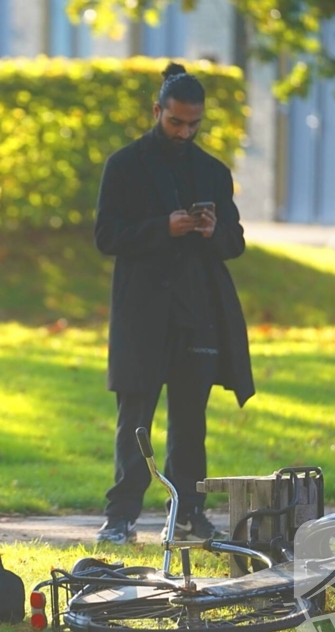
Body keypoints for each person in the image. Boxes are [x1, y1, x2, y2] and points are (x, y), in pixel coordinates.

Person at [93, 63, 253, 545]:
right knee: (135, 420)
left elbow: (235, 242)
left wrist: (212, 230)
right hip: (141, 312)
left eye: (193, 124)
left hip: (195, 311)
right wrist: (163, 227)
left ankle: (187, 515)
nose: (184, 132)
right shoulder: (124, 165)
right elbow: (106, 236)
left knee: (190, 422)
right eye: (175, 122)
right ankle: (120, 517)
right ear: (157, 111)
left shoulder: (212, 171)